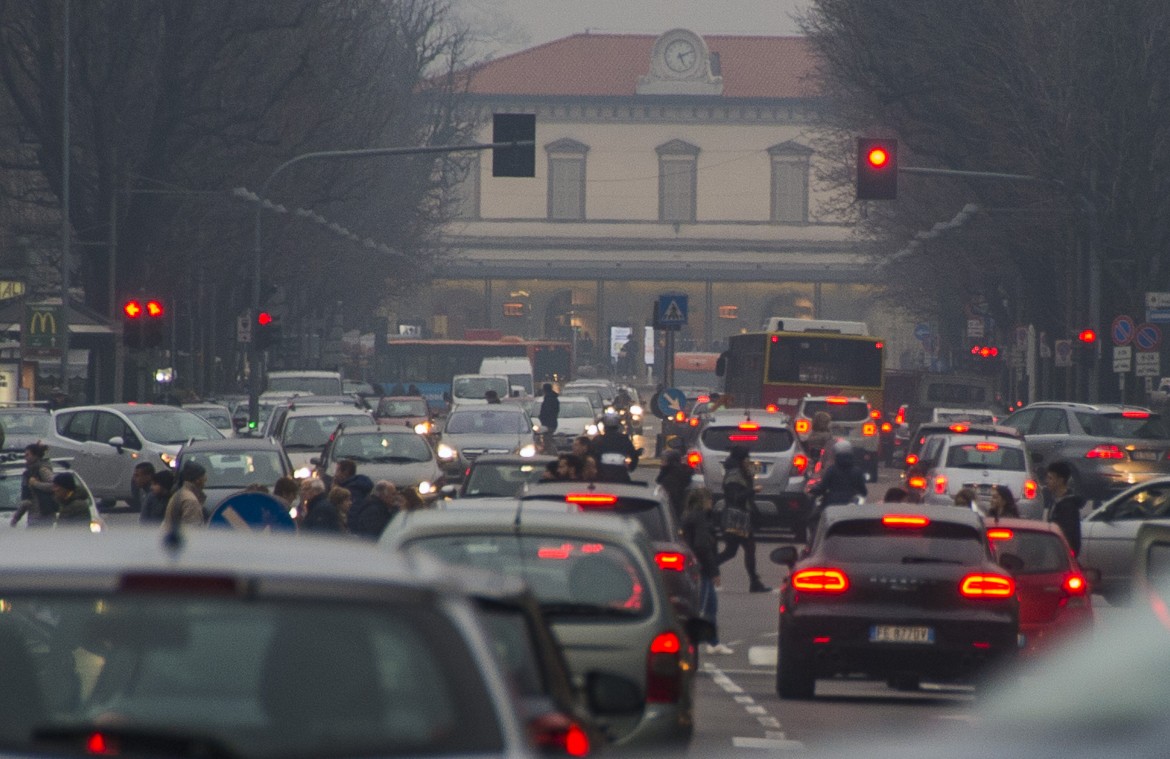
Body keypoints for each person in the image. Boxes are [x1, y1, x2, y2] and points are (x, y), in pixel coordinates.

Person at [681, 487, 731, 654]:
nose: (712, 502)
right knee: (702, 608)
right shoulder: (700, 518)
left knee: (710, 606)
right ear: (704, 501)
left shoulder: (690, 516)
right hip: (703, 567)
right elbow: (702, 546)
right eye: (710, 499)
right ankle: (689, 643)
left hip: (697, 566)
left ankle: (713, 642)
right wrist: (714, 570)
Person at [715, 446, 770, 593]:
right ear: (741, 459)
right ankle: (754, 582)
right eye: (747, 459)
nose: (749, 461)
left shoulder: (741, 472)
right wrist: (753, 490)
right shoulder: (734, 475)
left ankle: (754, 582)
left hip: (742, 518)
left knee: (733, 551)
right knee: (743, 549)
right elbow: (735, 497)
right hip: (735, 519)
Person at [807, 440, 868, 538]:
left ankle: (813, 543)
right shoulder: (857, 471)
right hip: (851, 506)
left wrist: (813, 490)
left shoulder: (832, 470)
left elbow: (822, 487)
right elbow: (863, 492)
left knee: (813, 519)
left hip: (831, 505)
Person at [10, 443, 55, 527]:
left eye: (28, 454)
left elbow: (54, 486)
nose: (25, 457)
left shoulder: (42, 470)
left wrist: (35, 484)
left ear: (36, 456)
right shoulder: (29, 472)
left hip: (42, 515)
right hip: (35, 516)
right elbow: (26, 501)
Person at [1045, 462, 1083, 555]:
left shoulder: (1068, 505)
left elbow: (1069, 534)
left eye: (1050, 478)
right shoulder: (1055, 501)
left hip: (1062, 555)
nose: (1047, 481)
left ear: (1060, 480)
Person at [592, 411, 639, 483]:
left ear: (604, 427)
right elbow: (634, 456)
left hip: (601, 476)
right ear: (618, 427)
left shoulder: (597, 440)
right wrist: (630, 467)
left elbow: (590, 456)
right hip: (619, 475)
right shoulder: (624, 439)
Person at [162, 461, 209, 529]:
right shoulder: (190, 501)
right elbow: (192, 531)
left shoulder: (179, 494)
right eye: (204, 476)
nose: (205, 479)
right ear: (197, 480)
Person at [656, 449, 693, 520]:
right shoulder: (671, 473)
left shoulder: (671, 477)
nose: (661, 462)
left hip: (673, 511)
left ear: (671, 461)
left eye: (664, 460)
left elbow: (673, 497)